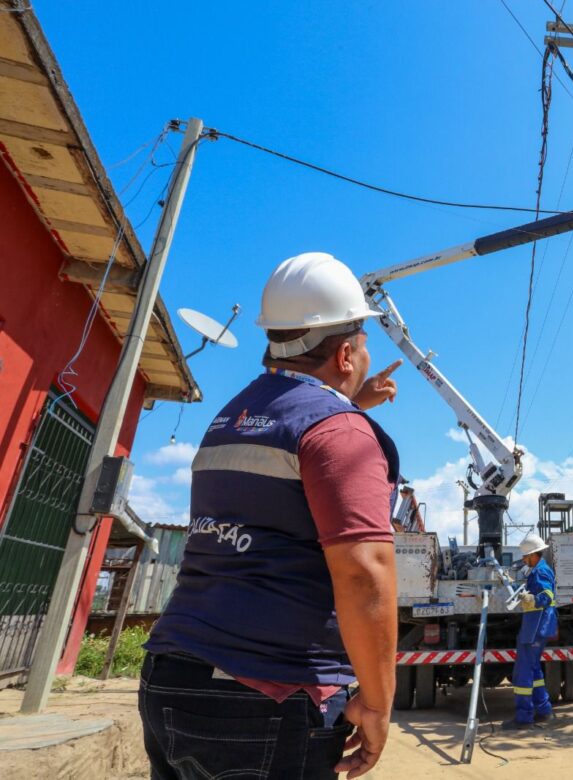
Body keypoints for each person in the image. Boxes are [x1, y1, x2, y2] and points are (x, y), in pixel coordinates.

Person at [140, 252, 405, 780]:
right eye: (366, 344)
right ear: (347, 355)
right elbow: (362, 572)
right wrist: (376, 706)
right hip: (266, 698)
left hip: (171, 677)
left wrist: (350, 409)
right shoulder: (337, 432)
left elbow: (285, 457)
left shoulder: (232, 416)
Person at [503, 533, 558, 730]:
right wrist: (517, 587)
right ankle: (544, 711)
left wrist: (531, 599)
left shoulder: (540, 572)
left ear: (534, 555)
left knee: (523, 673)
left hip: (535, 628)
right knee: (534, 670)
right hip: (537, 627)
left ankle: (524, 717)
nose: (524, 560)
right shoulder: (537, 570)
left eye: (526, 557)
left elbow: (546, 596)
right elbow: (534, 592)